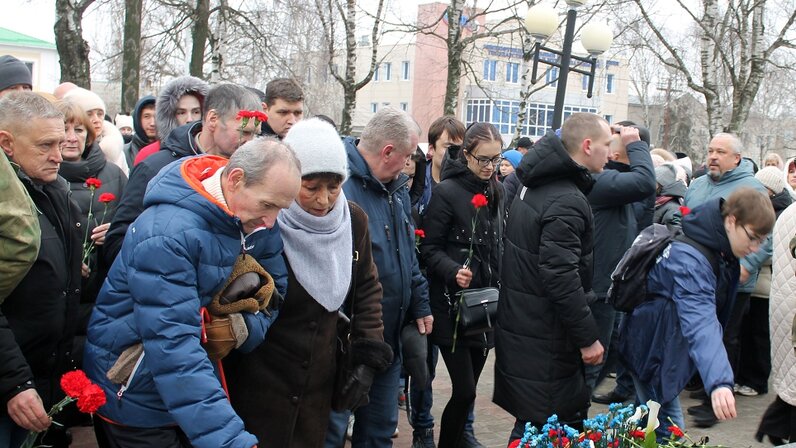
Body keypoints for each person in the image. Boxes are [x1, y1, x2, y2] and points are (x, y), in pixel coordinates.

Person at [84, 139, 301, 448]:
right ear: (235, 179)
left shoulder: (250, 217)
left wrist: (242, 329)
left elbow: (274, 292)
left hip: (187, 388)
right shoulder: (167, 234)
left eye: (280, 209)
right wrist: (229, 441)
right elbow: (173, 345)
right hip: (135, 392)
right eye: (268, 205)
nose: (271, 221)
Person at [225, 119, 392, 447]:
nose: (324, 200)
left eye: (334, 186)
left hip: (319, 383)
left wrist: (366, 355)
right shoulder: (267, 218)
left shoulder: (353, 220)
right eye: (311, 186)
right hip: (260, 379)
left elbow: (368, 287)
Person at [619, 187, 775, 438]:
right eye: (753, 237)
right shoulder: (691, 260)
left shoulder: (718, 247)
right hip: (653, 352)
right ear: (732, 221)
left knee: (644, 423)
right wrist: (719, 381)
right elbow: (701, 321)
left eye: (763, 240)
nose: (756, 248)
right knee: (668, 433)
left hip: (658, 346)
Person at [496, 113, 608, 441]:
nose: (610, 153)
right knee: (544, 427)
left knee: (535, 424)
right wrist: (588, 337)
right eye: (605, 145)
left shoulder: (539, 185)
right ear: (587, 146)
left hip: (529, 329)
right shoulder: (565, 199)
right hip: (547, 339)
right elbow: (560, 276)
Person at [326, 107, 433, 448]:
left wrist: (419, 303)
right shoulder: (337, 187)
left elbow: (406, 253)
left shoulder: (395, 187)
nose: (407, 166)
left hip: (388, 338)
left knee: (380, 433)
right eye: (405, 157)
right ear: (388, 152)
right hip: (346, 341)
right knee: (330, 431)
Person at [0, 92, 82, 448]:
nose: (58, 156)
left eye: (61, 143)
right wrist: (13, 383)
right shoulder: (9, 207)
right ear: (7, 143)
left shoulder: (56, 191)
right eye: (45, 145)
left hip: (41, 383)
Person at [103, 83, 261, 266]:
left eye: (255, 134)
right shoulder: (155, 168)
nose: (250, 143)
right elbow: (117, 244)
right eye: (245, 132)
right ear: (213, 119)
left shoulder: (247, 175)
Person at [419, 122, 504, 447]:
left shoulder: (498, 190)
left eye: (495, 159)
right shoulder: (447, 192)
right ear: (466, 154)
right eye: (483, 159)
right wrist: (453, 269)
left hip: (486, 306)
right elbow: (429, 250)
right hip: (452, 307)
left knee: (468, 395)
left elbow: (499, 244)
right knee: (465, 389)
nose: (489, 167)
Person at [684, 132, 770, 427]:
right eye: (710, 150)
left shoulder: (752, 188)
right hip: (700, 273)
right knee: (700, 329)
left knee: (725, 335)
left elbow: (765, 235)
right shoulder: (697, 185)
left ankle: (716, 398)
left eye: (720, 151)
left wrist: (748, 263)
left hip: (734, 277)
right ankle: (701, 383)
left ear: (737, 158)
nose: (712, 156)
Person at [735, 167, 792, 397]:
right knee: (745, 333)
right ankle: (743, 376)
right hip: (755, 282)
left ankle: (757, 380)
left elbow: (773, 248)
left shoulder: (781, 214)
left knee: (760, 334)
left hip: (767, 283)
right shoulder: (760, 209)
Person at [756, 200, 796, 444]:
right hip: (792, 315)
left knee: (791, 384)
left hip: (784, 305)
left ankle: (774, 426)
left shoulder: (789, 212)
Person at [133, 76, 209, 166]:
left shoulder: (215, 152)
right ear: (169, 116)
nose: (190, 119)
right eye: (181, 113)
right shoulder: (149, 155)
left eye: (196, 112)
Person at [64, 87, 128, 176]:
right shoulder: (66, 149)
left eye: (100, 114)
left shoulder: (116, 149)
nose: (96, 120)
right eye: (89, 114)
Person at [123, 95, 156, 168]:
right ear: (138, 119)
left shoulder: (170, 152)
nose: (152, 123)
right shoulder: (123, 153)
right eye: (146, 116)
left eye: (156, 116)